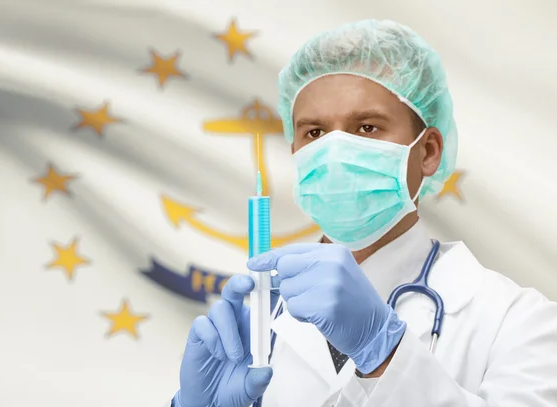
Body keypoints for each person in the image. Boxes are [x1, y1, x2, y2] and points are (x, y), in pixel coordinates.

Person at [169, 19, 557, 407]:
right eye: (315, 133)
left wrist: (384, 353)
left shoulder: (519, 322)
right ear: (295, 153)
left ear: (428, 151)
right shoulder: (257, 324)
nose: (335, 150)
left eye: (367, 127)